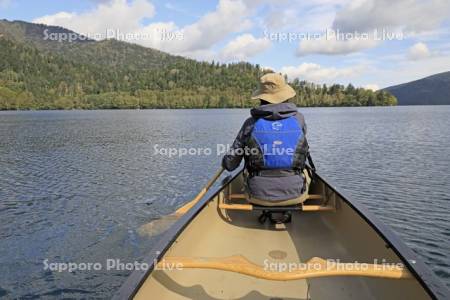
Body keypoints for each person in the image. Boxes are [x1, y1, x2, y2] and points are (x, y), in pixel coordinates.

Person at [222, 73, 311, 213]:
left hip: (257, 195)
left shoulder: (250, 123)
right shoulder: (299, 119)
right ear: (286, 96)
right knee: (305, 170)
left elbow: (230, 165)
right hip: (296, 194)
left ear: (261, 98)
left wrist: (226, 161)